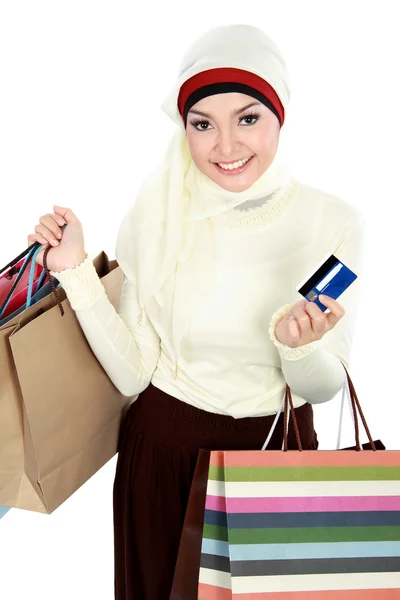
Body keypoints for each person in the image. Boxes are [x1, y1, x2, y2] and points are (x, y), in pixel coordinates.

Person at [28, 24, 365, 600]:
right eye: (203, 124)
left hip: (278, 455)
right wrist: (76, 270)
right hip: (163, 454)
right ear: (183, 128)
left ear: (280, 115)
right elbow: (135, 371)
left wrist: (298, 344)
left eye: (248, 118)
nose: (226, 147)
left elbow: (326, 386)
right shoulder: (157, 213)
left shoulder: (330, 221)